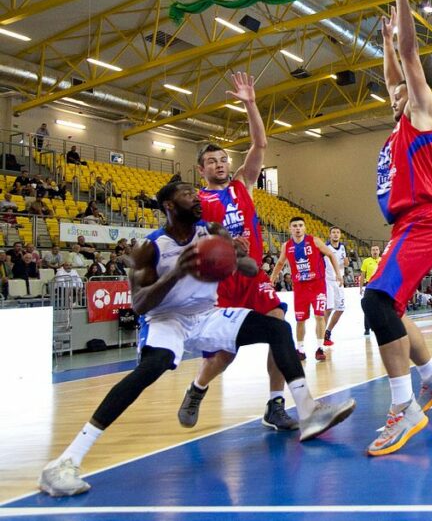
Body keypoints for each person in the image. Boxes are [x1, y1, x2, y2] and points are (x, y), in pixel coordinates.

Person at [37, 181, 356, 498]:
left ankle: (308, 412)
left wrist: (237, 255)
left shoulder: (212, 231)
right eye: (187, 194)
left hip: (206, 314)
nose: (196, 198)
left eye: (195, 191)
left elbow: (247, 269)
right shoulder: (150, 248)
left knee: (277, 328)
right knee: (153, 366)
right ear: (169, 205)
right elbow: (140, 304)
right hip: (166, 319)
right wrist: (177, 272)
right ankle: (66, 461)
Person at [362, 0, 432, 456]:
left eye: (403, 87)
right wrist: (383, 45)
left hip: (424, 221)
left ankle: (404, 407)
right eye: (394, 90)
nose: (397, 91)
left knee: (375, 302)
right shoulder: (397, 124)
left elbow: (410, 55)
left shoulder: (422, 114)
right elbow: (391, 76)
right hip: (406, 225)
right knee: (393, 308)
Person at [183, 72, 299, 432]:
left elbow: (260, 144)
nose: (220, 164)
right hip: (221, 283)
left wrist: (250, 104)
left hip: (254, 275)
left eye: (223, 159)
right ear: (201, 169)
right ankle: (197, 388)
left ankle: (275, 404)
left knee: (280, 326)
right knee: (225, 354)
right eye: (212, 161)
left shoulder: (242, 185)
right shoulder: (196, 202)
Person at [269, 217, 342, 363]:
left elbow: (330, 254)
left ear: (305, 227)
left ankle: (320, 348)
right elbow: (280, 263)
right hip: (300, 288)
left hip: (317, 285)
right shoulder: (286, 246)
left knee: (319, 316)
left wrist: (338, 274)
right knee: (300, 319)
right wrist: (271, 279)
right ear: (290, 229)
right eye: (295, 226)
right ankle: (300, 350)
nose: (298, 228)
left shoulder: (314, 241)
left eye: (300, 225)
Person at [322, 227, 349, 347]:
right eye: (333, 232)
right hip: (328, 281)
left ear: (340, 234)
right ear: (330, 235)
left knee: (341, 309)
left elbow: (343, 264)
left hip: (339, 281)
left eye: (338, 232)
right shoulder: (325, 247)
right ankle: (321, 335)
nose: (335, 234)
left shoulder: (342, 247)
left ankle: (328, 332)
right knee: (328, 309)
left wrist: (346, 263)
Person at [359, 245, 382, 336]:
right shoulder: (366, 261)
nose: (375, 251)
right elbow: (362, 275)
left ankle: (379, 326)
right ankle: (367, 328)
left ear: (379, 251)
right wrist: (361, 287)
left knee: (381, 307)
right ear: (371, 252)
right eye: (373, 250)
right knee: (368, 306)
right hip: (370, 285)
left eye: (376, 250)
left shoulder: (383, 260)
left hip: (381, 285)